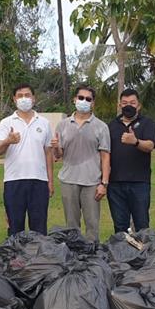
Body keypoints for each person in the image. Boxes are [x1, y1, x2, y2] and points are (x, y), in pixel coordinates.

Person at [52, 85, 111, 241]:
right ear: (74, 99)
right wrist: (56, 147)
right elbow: (58, 155)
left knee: (92, 225)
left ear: (93, 103)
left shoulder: (101, 127)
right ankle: (74, 257)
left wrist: (103, 183)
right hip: (68, 180)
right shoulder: (63, 125)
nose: (84, 101)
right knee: (71, 226)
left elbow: (105, 156)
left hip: (92, 183)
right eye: (81, 98)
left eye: (88, 99)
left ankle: (93, 259)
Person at [0, 84, 54, 235]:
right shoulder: (6, 122)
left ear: (34, 98)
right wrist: (8, 140)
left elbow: (48, 153)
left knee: (39, 227)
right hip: (14, 180)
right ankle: (15, 258)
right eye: (20, 95)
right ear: (14, 99)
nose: (24, 98)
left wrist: (50, 181)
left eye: (27, 95)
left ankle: (38, 258)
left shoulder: (44, 122)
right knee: (15, 226)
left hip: (39, 181)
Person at [107, 88, 155, 233]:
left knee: (142, 225)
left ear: (138, 105)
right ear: (119, 106)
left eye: (132, 103)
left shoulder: (147, 123)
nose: (128, 105)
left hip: (139, 183)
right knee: (120, 226)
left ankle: (144, 253)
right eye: (124, 103)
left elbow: (150, 146)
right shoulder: (111, 126)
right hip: (115, 183)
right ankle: (122, 253)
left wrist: (135, 141)